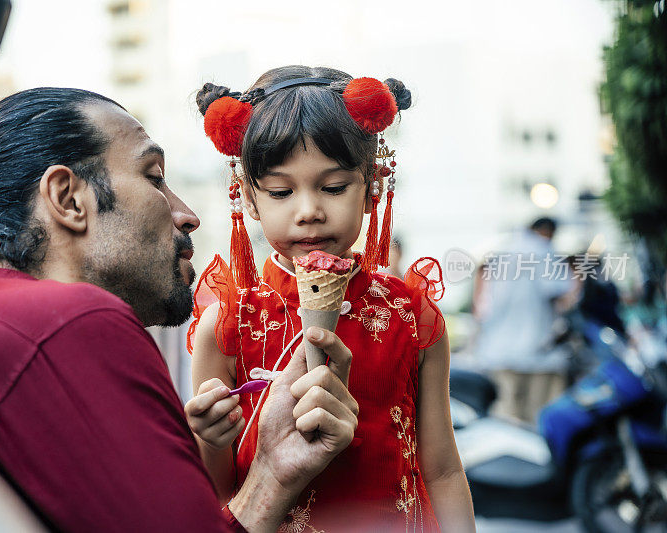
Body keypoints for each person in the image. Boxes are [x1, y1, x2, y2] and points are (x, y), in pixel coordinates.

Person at [0, 87, 359, 533]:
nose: (188, 214)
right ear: (67, 199)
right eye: (154, 178)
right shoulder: (72, 321)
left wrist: (272, 472)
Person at [186, 66, 474, 532]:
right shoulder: (226, 326)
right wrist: (211, 439)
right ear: (250, 201)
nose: (309, 211)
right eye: (281, 191)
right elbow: (216, 495)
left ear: (372, 188)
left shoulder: (412, 317)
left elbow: (441, 468)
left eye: (334, 187)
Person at [473, 217, 572, 423]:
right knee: (536, 421)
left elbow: (482, 300)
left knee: (505, 421)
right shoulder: (543, 251)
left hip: (498, 350)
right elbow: (561, 295)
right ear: (548, 232)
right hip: (537, 352)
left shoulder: (502, 249)